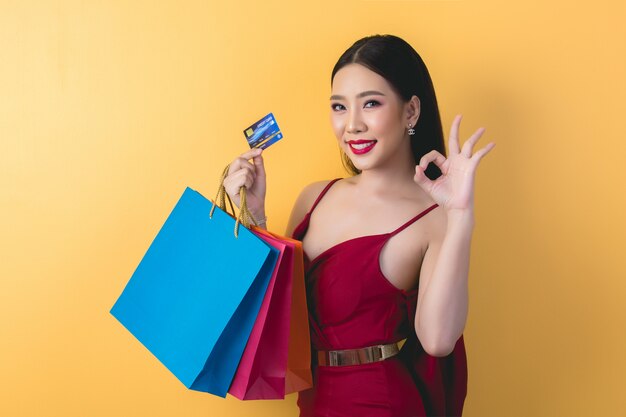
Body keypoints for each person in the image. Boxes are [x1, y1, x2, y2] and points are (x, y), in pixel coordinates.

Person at [224, 34, 495, 417]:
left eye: (370, 103)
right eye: (339, 106)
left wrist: (461, 214)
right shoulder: (313, 197)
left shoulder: (435, 217)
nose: (352, 125)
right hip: (315, 402)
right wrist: (254, 218)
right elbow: (279, 322)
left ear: (411, 112)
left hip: (381, 403)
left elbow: (437, 340)